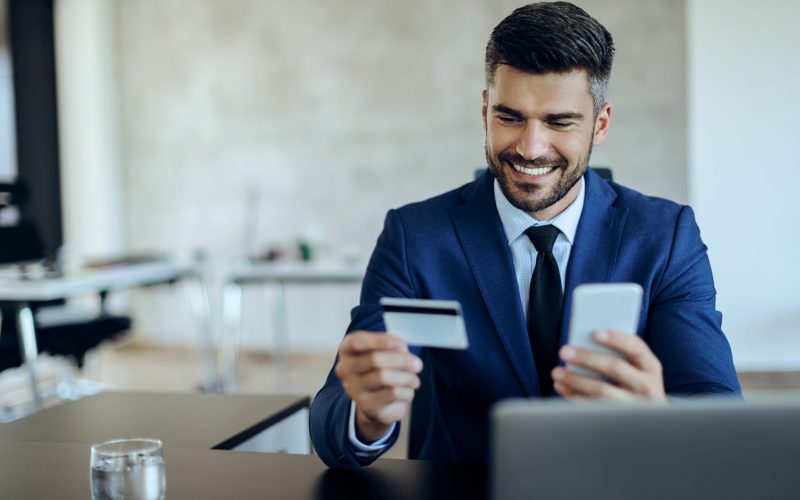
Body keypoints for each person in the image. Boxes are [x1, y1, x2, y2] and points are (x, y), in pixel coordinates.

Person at [310, 1, 741, 467]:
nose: (530, 148)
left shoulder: (666, 236)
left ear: (600, 125)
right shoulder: (416, 236)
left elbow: (717, 410)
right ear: (484, 110)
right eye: (510, 117)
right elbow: (334, 415)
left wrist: (659, 416)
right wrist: (366, 417)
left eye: (559, 122)